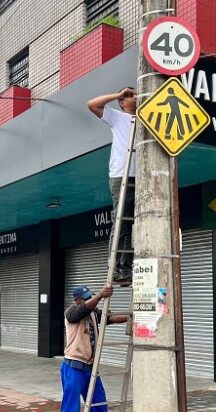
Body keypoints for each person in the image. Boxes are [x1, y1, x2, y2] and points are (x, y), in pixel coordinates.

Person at [59, 284, 129, 412]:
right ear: (77, 300)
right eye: (87, 298)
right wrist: (100, 295)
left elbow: (112, 318)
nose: (92, 301)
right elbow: (83, 309)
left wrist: (133, 317)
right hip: (73, 368)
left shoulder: (93, 313)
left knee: (99, 405)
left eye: (91, 297)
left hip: (90, 369)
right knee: (71, 408)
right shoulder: (72, 313)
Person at [88, 88, 137, 286]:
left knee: (134, 223)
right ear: (123, 102)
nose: (136, 96)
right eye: (131, 95)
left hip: (141, 176)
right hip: (121, 176)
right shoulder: (117, 117)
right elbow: (92, 104)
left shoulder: (147, 117)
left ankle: (128, 267)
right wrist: (117, 95)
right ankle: (116, 267)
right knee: (121, 222)